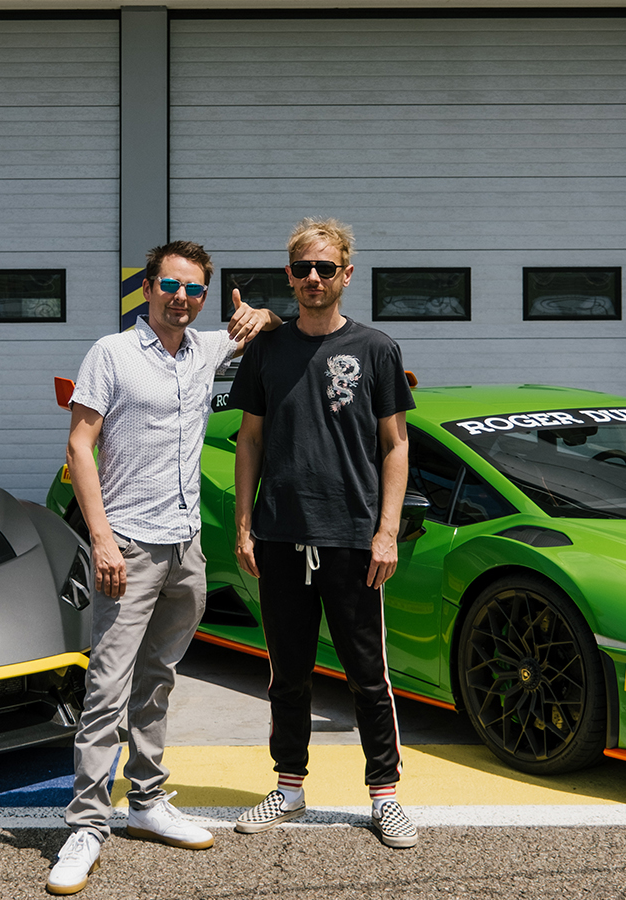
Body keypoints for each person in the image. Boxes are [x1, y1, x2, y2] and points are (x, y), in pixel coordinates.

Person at [47, 240, 280, 895]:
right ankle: (87, 826)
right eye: (171, 286)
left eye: (195, 290)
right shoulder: (112, 353)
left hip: (186, 548)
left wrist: (260, 314)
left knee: (157, 681)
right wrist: (102, 539)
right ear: (147, 288)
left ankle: (147, 803)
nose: (183, 298)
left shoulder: (204, 349)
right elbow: (80, 446)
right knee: (106, 691)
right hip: (130, 547)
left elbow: (265, 327)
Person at [228, 218, 419, 849]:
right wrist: (245, 526)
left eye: (326, 268)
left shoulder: (376, 350)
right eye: (303, 269)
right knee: (289, 671)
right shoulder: (266, 349)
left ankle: (385, 796)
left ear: (346, 274)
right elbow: (249, 439)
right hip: (281, 534)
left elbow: (395, 445)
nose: (314, 278)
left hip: (352, 537)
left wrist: (386, 532)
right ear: (290, 275)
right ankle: (288, 787)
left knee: (368, 674)